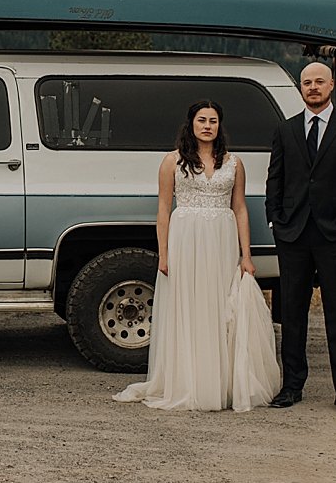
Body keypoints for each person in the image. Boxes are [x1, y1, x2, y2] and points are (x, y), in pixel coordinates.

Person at [114, 100, 282, 412]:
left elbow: (240, 208)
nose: (207, 125)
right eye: (202, 120)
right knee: (189, 307)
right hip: (186, 237)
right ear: (191, 124)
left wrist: (246, 255)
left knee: (219, 307)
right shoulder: (172, 162)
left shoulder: (234, 163)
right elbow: (164, 209)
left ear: (220, 126)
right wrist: (163, 254)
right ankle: (190, 382)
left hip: (221, 239)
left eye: (213, 121)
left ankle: (219, 382)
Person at [265, 61, 336, 416]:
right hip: (293, 235)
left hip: (335, 235)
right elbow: (275, 179)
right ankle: (291, 387)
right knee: (292, 314)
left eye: (319, 82)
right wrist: (275, 222)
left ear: (331, 86)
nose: (312, 87)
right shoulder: (285, 130)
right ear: (301, 88)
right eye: (306, 82)